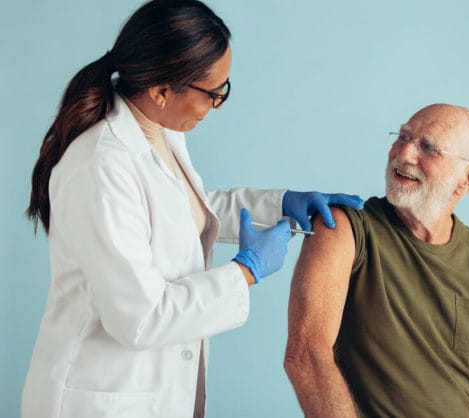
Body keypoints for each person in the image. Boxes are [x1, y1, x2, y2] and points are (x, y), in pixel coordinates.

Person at [21, 1, 362, 417]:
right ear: (162, 91)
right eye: (213, 94)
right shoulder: (101, 166)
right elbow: (140, 317)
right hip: (100, 398)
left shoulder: (157, 130)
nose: (218, 104)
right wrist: (245, 271)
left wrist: (281, 204)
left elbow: (181, 209)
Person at [284, 103, 469, 417]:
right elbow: (307, 356)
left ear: (467, 179)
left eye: (428, 148)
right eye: (403, 137)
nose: (403, 153)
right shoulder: (345, 229)